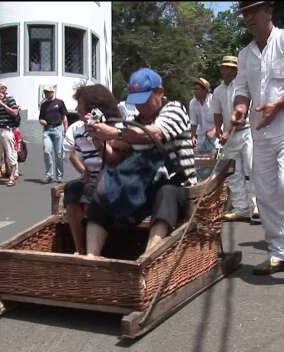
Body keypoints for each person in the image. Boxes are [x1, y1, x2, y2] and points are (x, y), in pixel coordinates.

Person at [232, 1, 284, 288]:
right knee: (265, 193)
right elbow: (242, 91)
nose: (249, 18)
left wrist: (279, 105)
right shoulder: (245, 55)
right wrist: (240, 110)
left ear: (269, 11)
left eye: (253, 11)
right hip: (261, 133)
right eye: (245, 13)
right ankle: (280, 253)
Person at [85, 68, 197, 257]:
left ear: (159, 92)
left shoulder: (174, 109)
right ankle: (91, 257)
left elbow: (153, 135)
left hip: (179, 185)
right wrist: (98, 136)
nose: (140, 107)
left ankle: (149, 258)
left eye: (144, 100)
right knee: (101, 193)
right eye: (137, 102)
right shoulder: (133, 122)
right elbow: (115, 155)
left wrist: (113, 133)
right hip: (144, 187)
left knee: (167, 192)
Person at [62, 84, 120, 255]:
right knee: (72, 189)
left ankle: (94, 248)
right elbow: (73, 154)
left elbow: (113, 160)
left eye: (79, 105)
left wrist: (100, 134)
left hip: (112, 181)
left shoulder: (114, 127)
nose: (76, 109)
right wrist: (84, 172)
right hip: (91, 181)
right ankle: (80, 248)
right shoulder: (78, 129)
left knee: (92, 191)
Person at [211, 56, 260, 223]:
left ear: (235, 70)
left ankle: (257, 205)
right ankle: (241, 208)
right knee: (234, 173)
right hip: (229, 136)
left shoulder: (242, 87)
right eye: (224, 67)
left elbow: (241, 112)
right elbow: (217, 113)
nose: (226, 70)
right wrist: (219, 130)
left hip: (246, 131)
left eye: (230, 67)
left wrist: (227, 131)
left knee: (252, 168)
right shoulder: (217, 91)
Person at [0, 83, 20, 187]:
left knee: (10, 154)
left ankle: (12, 176)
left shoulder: (10, 99)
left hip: (7, 130)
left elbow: (15, 113)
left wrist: (2, 104)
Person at [39, 84, 68, 184]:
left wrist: (66, 129)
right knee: (47, 151)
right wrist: (42, 121)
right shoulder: (43, 105)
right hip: (47, 130)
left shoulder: (59, 103)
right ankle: (49, 175)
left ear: (52, 92)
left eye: (48, 92)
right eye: (45, 92)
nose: (46, 94)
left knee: (59, 153)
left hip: (58, 129)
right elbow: (41, 118)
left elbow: (64, 117)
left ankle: (59, 176)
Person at [189, 77, 217, 152]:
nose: (194, 91)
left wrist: (215, 130)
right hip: (201, 137)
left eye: (197, 89)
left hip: (215, 138)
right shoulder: (192, 103)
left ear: (205, 90)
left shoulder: (214, 100)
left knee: (215, 159)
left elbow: (222, 118)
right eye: (194, 89)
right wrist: (193, 136)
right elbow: (193, 122)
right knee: (200, 161)